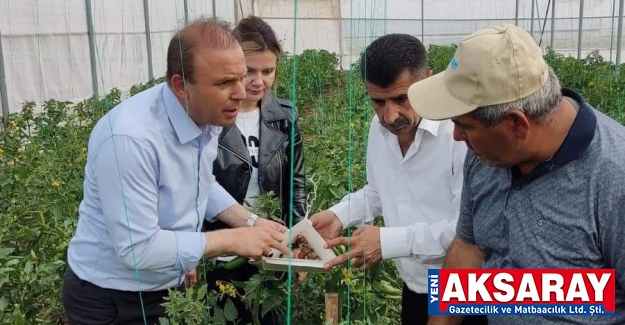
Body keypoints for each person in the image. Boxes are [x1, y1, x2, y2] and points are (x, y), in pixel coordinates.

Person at [61, 18, 292, 325]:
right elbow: (137, 250)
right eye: (224, 83)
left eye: (241, 77)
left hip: (165, 288)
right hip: (112, 299)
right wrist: (232, 239)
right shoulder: (130, 140)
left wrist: (253, 222)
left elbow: (200, 184)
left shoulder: (204, 113)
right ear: (181, 85)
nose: (241, 92)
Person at [407, 24, 625, 325]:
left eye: (466, 125)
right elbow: (468, 245)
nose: (456, 136)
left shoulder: (614, 177)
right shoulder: (485, 157)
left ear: (517, 125)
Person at [300, 34, 486, 325]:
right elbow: (379, 190)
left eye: (401, 98)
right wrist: (339, 215)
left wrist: (388, 241)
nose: (389, 115)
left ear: (429, 80)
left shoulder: (459, 135)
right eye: (377, 101)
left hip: (467, 293)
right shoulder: (380, 128)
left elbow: (468, 230)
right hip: (414, 287)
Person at [203, 15, 306, 324]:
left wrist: (297, 240)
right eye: (249, 71)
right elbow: (197, 187)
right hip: (224, 247)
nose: (258, 81)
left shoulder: (283, 116)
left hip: (271, 245)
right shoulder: (208, 116)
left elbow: (295, 184)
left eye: (268, 71)